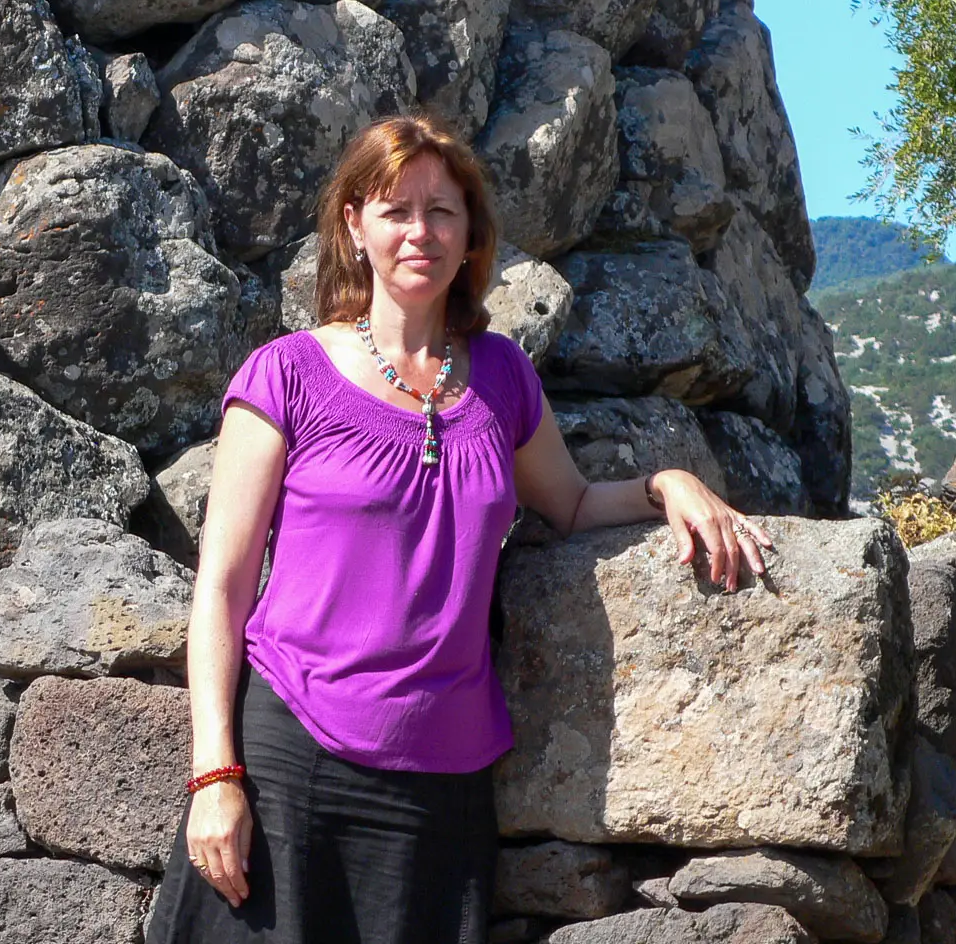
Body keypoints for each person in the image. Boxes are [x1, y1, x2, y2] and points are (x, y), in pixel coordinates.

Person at [146, 114, 775, 944]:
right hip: (289, 762)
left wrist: (669, 484)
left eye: (442, 212)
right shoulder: (287, 374)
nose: (420, 232)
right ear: (353, 225)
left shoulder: (504, 377)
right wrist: (216, 775)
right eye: (396, 210)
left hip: (442, 780)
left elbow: (573, 505)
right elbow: (222, 589)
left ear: (471, 232)